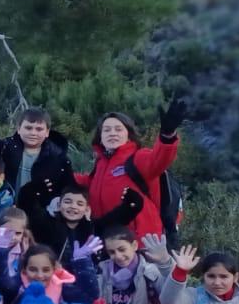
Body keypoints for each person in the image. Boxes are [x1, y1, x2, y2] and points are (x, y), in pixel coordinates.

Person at [72, 97, 185, 240]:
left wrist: (167, 136)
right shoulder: (100, 165)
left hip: (141, 243)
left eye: (118, 129)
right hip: (110, 243)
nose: (112, 133)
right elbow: (86, 182)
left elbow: (158, 160)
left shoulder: (137, 158)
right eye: (106, 130)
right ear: (100, 137)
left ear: (128, 135)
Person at [0, 106, 72, 213]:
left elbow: (68, 190)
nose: (33, 133)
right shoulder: (6, 147)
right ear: (19, 129)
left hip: (39, 215)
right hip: (4, 211)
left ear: (47, 132)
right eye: (28, 128)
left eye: (39, 129)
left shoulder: (58, 158)